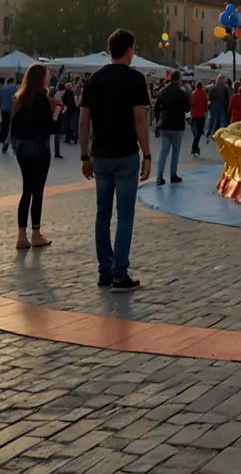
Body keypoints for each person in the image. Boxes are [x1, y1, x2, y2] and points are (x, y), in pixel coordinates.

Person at [79, 29, 152, 293]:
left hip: (100, 154)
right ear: (129, 49)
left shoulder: (94, 80)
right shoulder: (135, 79)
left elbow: (84, 120)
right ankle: (120, 274)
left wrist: (84, 155)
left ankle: (104, 271)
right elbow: (139, 119)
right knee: (125, 215)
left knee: (102, 213)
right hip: (125, 155)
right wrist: (147, 154)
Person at [9, 64, 57, 250]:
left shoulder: (20, 99)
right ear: (41, 79)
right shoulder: (42, 100)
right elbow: (49, 128)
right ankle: (36, 234)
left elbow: (14, 127)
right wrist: (56, 114)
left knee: (26, 190)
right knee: (37, 192)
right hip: (39, 149)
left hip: (23, 149)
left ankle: (21, 235)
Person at [153, 70, 190, 185]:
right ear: (178, 79)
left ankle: (159, 176)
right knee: (175, 152)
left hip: (165, 124)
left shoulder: (162, 91)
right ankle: (173, 175)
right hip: (177, 125)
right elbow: (187, 109)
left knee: (163, 152)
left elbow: (156, 107)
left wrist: (158, 119)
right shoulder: (181, 93)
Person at [0, 77, 18, 153]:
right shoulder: (16, 88)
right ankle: (12, 145)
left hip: (3, 110)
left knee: (5, 125)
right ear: (13, 81)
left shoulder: (3, 88)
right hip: (12, 111)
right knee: (13, 128)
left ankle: (2, 139)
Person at [189, 81, 208, 156]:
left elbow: (192, 104)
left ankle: (195, 146)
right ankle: (194, 147)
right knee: (199, 132)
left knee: (195, 130)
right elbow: (205, 105)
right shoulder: (204, 95)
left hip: (194, 114)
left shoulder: (193, 93)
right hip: (201, 115)